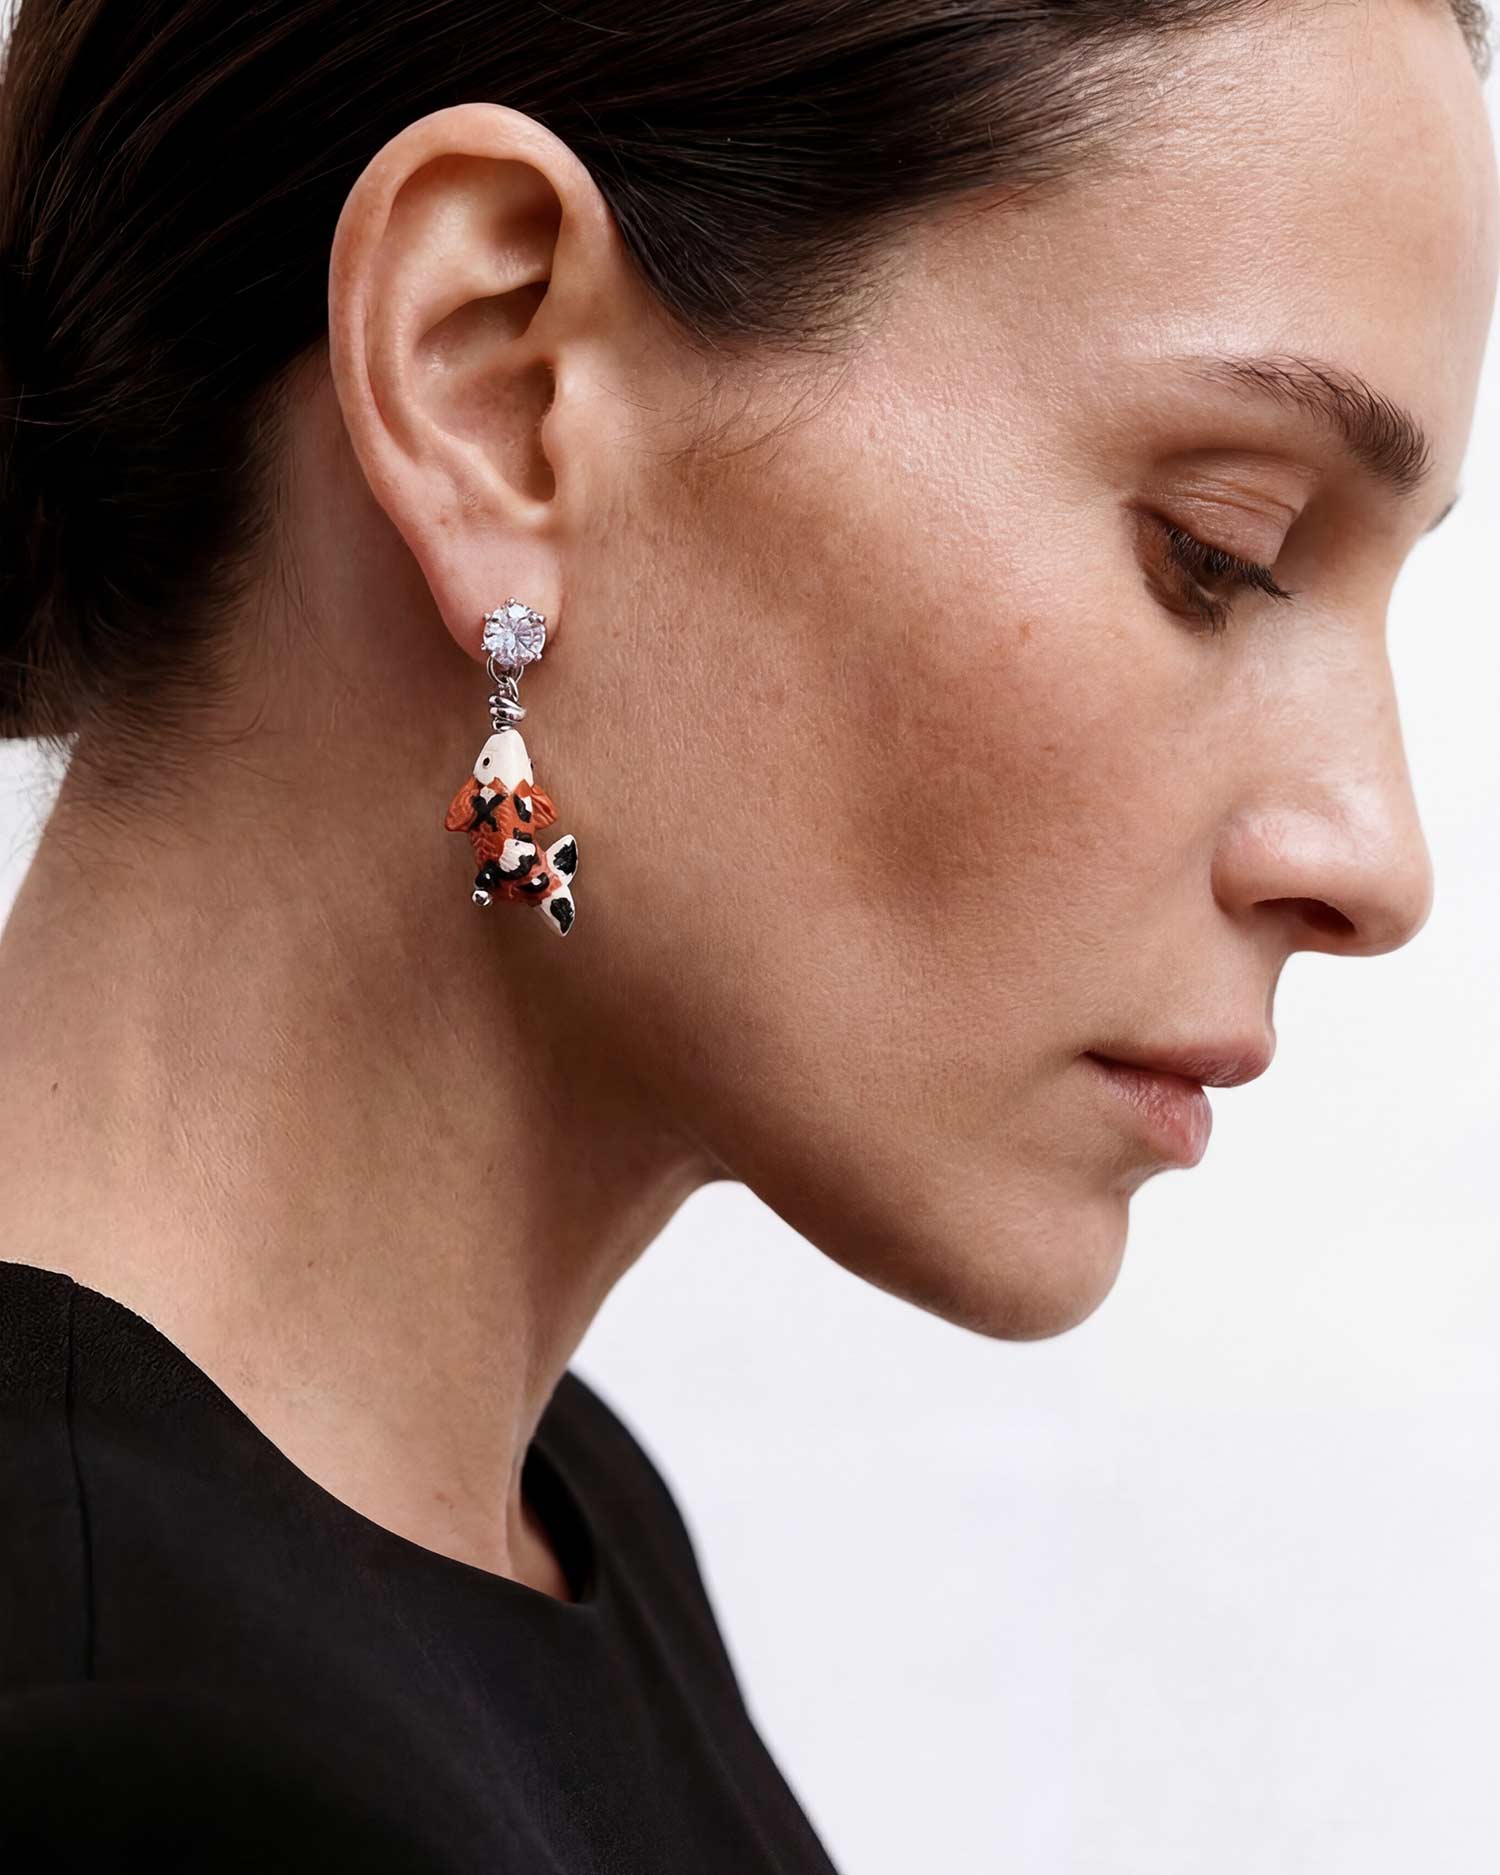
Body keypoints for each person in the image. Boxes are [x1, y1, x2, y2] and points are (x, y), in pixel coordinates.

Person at [0, 0, 1494, 1868]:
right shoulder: (132, 1766)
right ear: (496, 387)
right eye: (1223, 545)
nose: (1377, 860)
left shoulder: (550, 1524)